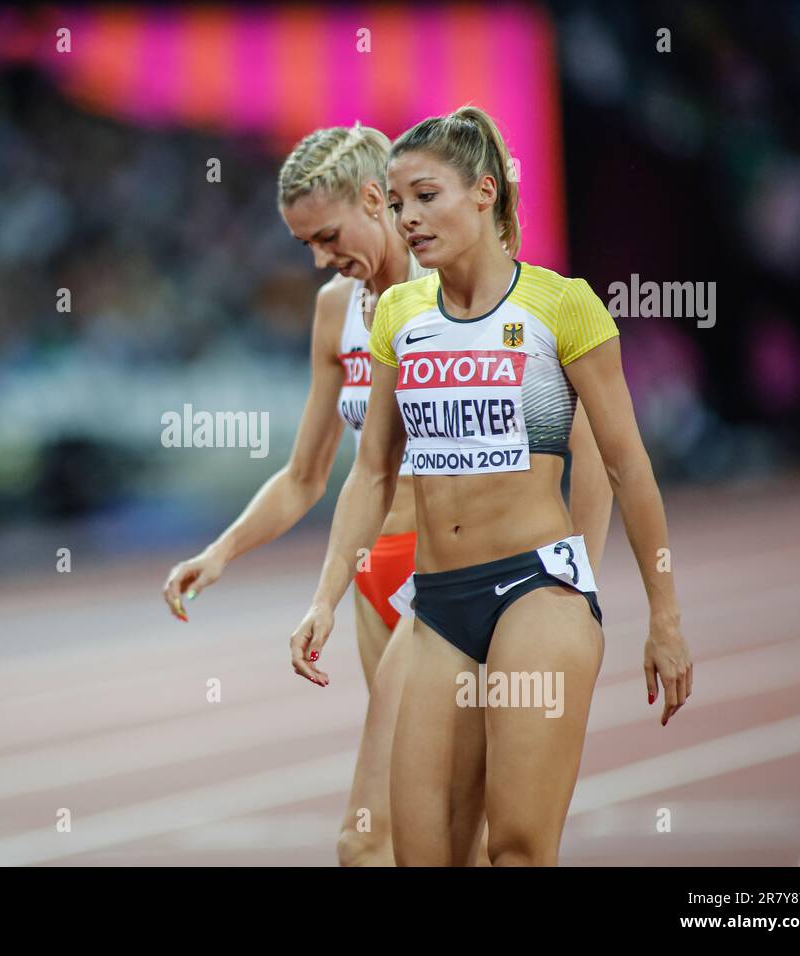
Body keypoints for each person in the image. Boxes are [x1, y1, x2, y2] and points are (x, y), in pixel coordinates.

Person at [165, 121, 614, 865]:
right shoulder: (336, 311)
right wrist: (221, 553)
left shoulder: (461, 293)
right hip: (376, 576)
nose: (319, 259)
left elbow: (592, 440)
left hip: (445, 576)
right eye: (304, 244)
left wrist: (582, 578)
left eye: (328, 234)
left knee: (370, 842)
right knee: (436, 837)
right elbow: (310, 475)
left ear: (376, 202)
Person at [289, 106, 692, 866]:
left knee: (514, 851)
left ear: (483, 193)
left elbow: (625, 466)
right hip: (437, 607)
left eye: (426, 196)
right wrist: (325, 595)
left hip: (534, 593)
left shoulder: (560, 304)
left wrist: (663, 617)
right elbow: (372, 472)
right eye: (398, 201)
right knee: (421, 855)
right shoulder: (399, 315)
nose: (408, 217)